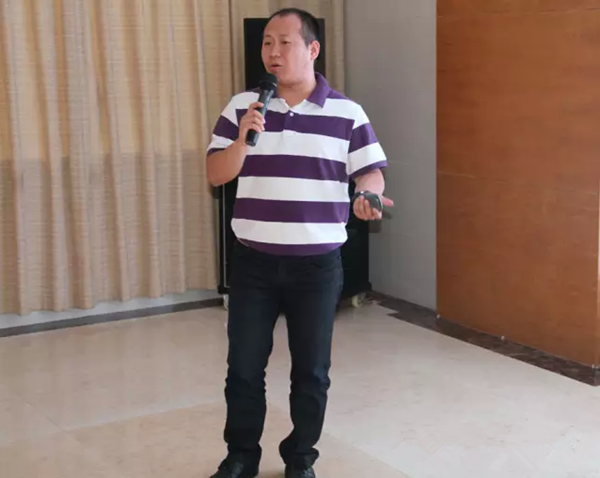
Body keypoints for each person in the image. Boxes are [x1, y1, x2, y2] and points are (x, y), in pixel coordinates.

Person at [206, 8, 392, 478]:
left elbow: (369, 171)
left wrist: (367, 194)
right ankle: (241, 456)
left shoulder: (347, 113)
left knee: (311, 372)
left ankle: (300, 458)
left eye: (284, 42)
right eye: (267, 42)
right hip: (253, 263)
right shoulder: (242, 107)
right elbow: (216, 174)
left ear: (312, 49)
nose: (272, 52)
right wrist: (243, 140)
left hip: (316, 267)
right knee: (244, 368)